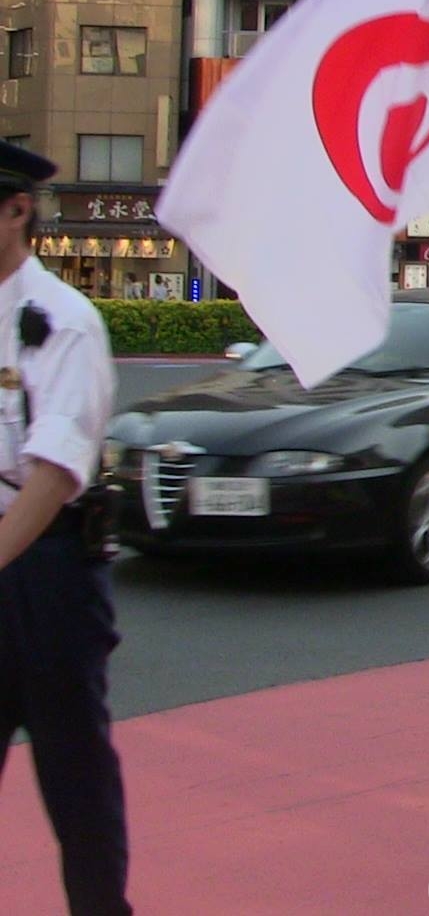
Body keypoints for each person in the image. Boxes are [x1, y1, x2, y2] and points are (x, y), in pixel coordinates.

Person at [0, 144, 131, 916]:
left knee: (74, 778)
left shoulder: (64, 323)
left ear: (16, 210)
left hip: (48, 574)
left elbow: (52, 474)